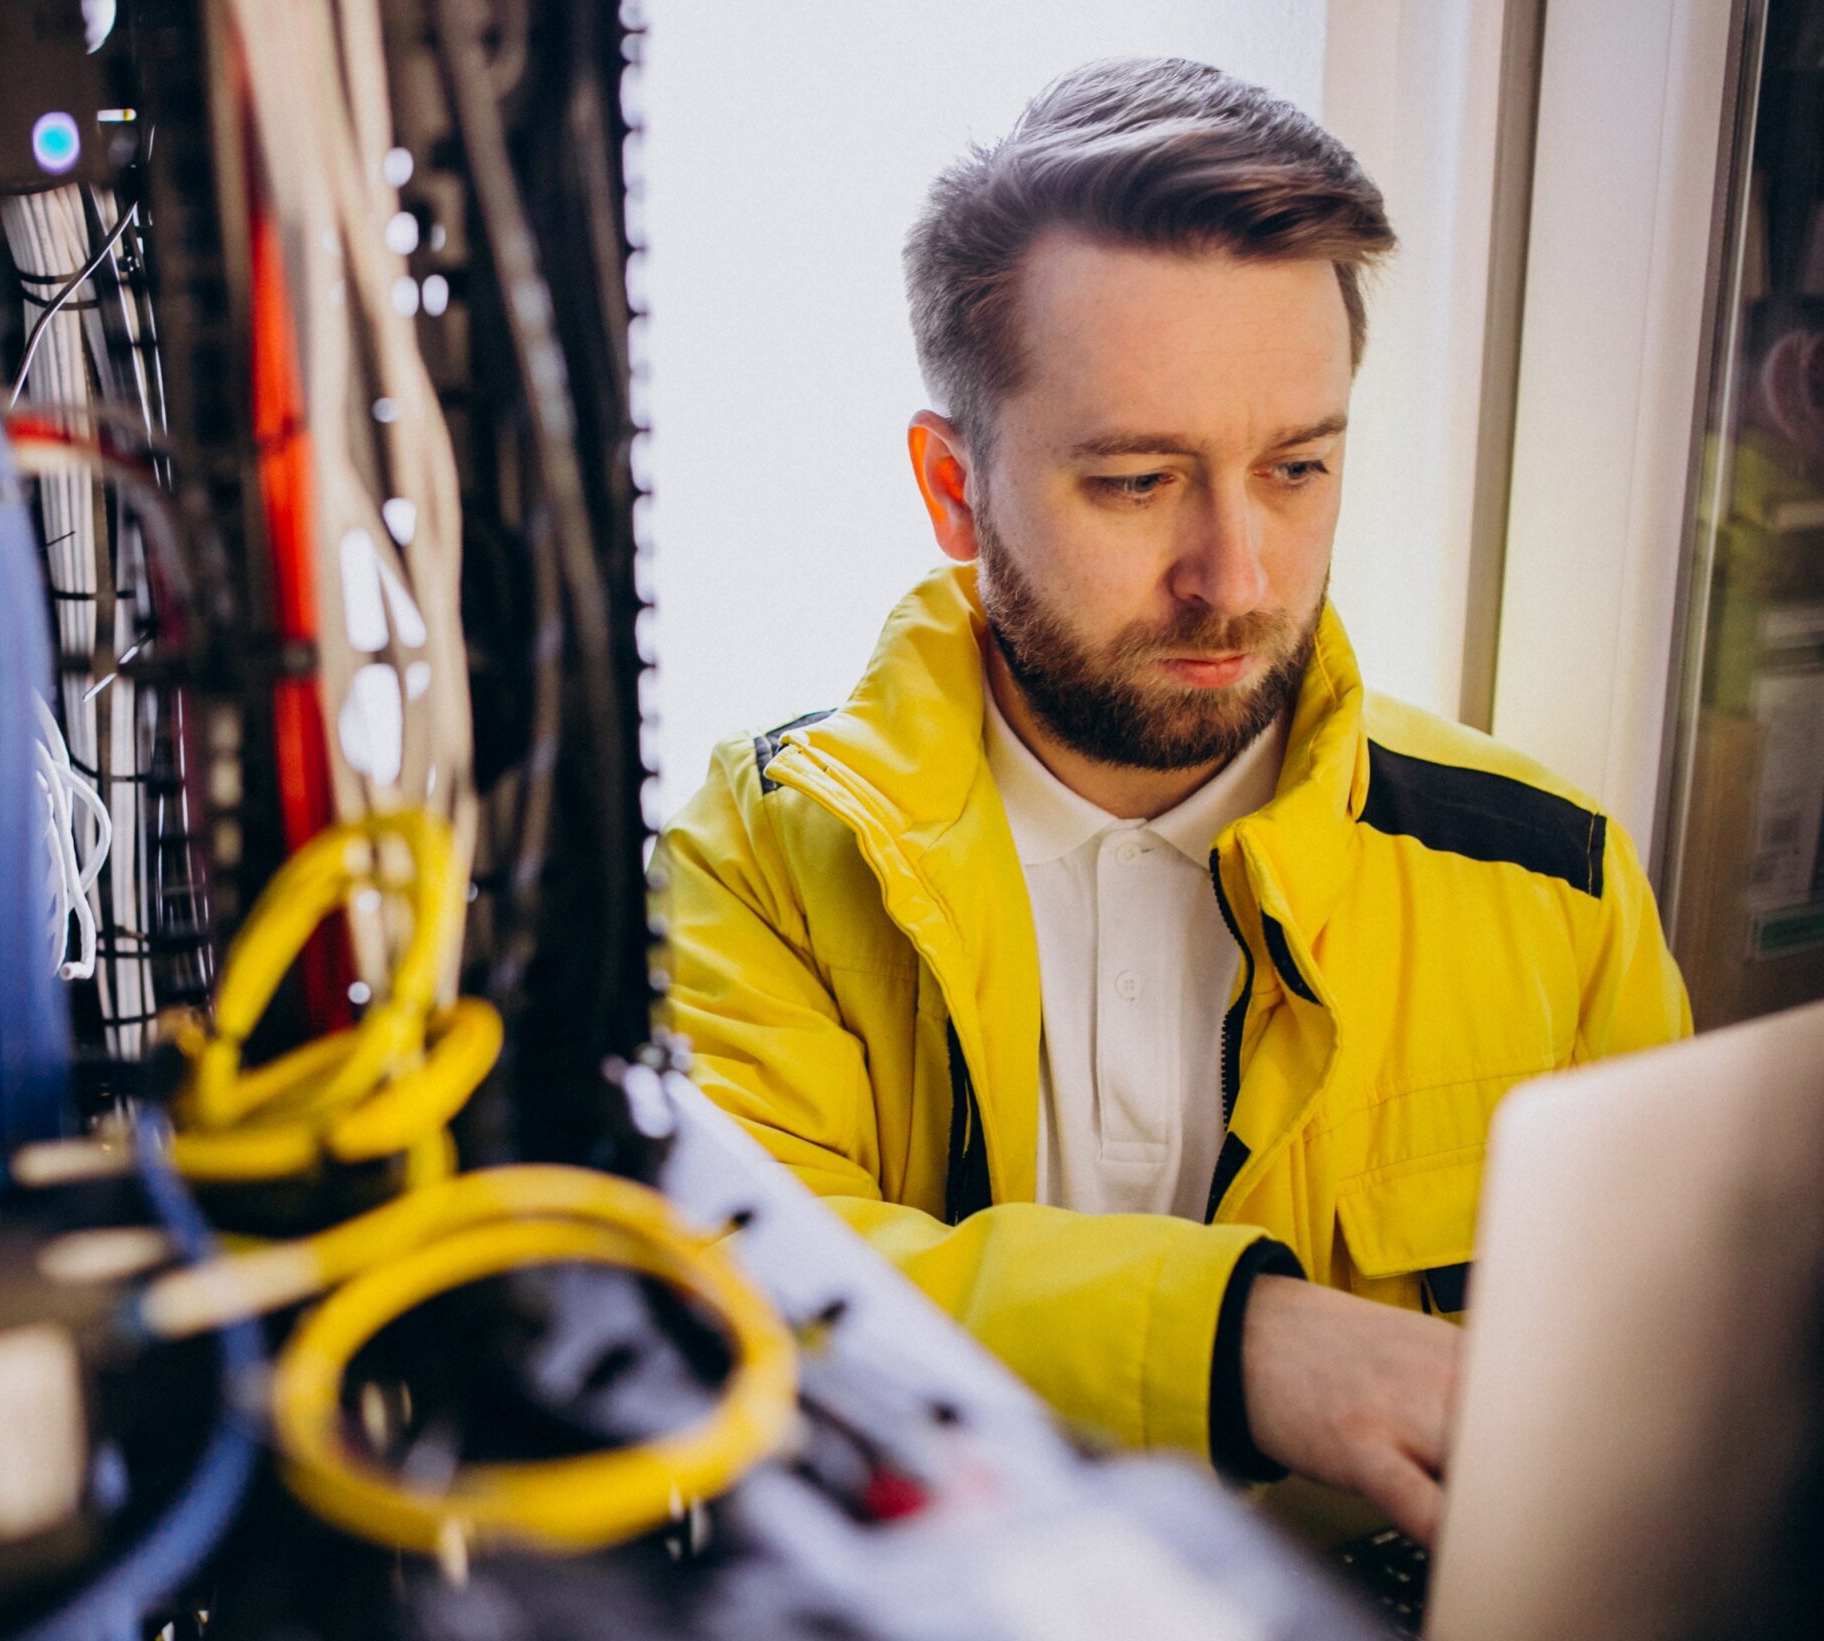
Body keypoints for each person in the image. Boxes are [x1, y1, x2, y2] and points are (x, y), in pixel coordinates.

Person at [656, 57, 1690, 1542]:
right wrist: (1243, 1344)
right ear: (954, 490)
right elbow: (724, 1279)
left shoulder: (1557, 886)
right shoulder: (754, 857)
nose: (1240, 576)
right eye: (1140, 482)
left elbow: (1663, 1483)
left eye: (1297, 467)